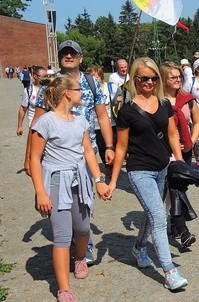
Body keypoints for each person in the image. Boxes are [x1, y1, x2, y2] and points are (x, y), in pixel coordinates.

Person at [27, 40, 115, 264]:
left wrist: (109, 146)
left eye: (73, 53)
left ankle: (84, 242)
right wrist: (29, 157)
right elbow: (37, 122)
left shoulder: (92, 82)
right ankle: (71, 242)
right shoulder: (51, 84)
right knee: (63, 203)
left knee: (85, 200)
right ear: (60, 57)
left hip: (87, 150)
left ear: (80, 57)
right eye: (64, 53)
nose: (69, 56)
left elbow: (103, 116)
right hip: (56, 156)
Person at [108, 57, 188, 290]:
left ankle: (139, 247)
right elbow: (121, 147)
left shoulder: (164, 104)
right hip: (139, 170)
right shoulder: (127, 111)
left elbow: (172, 134)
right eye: (144, 78)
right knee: (159, 217)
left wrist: (180, 162)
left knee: (151, 212)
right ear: (135, 79)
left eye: (154, 78)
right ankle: (170, 272)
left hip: (162, 168)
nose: (150, 82)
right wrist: (113, 181)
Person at [29, 75, 111, 302]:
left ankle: (80, 257)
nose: (81, 93)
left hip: (81, 179)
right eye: (77, 89)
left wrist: (99, 180)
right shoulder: (45, 122)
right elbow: (35, 158)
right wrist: (41, 192)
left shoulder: (80, 121)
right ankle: (64, 288)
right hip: (56, 180)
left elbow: (87, 152)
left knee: (83, 228)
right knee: (62, 235)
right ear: (67, 93)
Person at [160, 61, 199, 247]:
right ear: (163, 79)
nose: (178, 80)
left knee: (179, 188)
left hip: (185, 149)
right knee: (174, 186)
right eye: (173, 77)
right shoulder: (158, 101)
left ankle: (173, 221)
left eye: (179, 77)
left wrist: (191, 141)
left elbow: (198, 122)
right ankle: (182, 229)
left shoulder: (188, 99)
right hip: (164, 150)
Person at [87, 66, 118, 174]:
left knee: (113, 143)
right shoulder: (88, 90)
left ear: (101, 77)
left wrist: (118, 99)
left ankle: (114, 163)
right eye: (92, 78)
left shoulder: (109, 87)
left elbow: (116, 101)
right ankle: (107, 165)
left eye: (96, 77)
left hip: (111, 122)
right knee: (101, 145)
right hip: (96, 124)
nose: (95, 80)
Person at [17, 66, 47, 136]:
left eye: (47, 76)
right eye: (43, 76)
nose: (46, 79)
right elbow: (23, 109)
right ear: (35, 76)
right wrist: (20, 126)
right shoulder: (28, 90)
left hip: (49, 124)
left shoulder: (50, 89)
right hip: (34, 125)